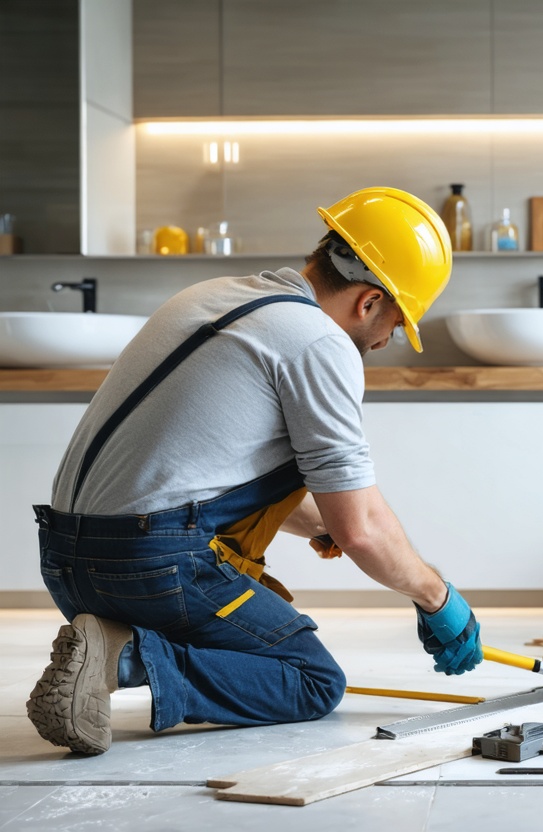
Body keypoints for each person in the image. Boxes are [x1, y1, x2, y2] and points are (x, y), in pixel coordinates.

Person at [26, 187, 483, 756]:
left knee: (251, 634)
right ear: (367, 302)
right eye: (395, 322)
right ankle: (124, 658)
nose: (387, 340)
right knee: (313, 680)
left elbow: (207, 473)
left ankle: (114, 641)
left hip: (69, 566)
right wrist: (438, 598)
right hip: (151, 569)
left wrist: (324, 524)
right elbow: (361, 528)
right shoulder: (319, 342)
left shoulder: (210, 296)